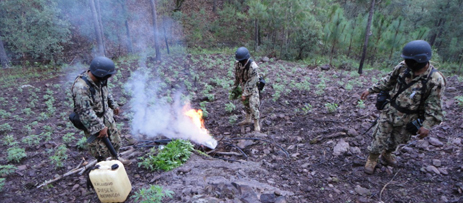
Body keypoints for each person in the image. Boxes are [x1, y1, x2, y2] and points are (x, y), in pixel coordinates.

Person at [360, 40, 446, 174]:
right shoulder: (402, 67)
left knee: (397, 139)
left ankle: (387, 153)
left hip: (410, 116)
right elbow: (388, 81)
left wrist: (427, 125)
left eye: (409, 60)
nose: (406, 62)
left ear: (419, 61)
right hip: (391, 110)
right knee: (379, 136)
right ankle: (372, 158)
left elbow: (434, 106)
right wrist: (371, 90)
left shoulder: (435, 80)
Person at [71, 56, 130, 164]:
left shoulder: (100, 80)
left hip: (106, 115)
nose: (109, 77)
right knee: (101, 149)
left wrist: (113, 105)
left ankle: (116, 159)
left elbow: (105, 93)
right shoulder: (81, 87)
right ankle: (105, 167)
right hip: (92, 120)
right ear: (100, 73)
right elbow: (85, 111)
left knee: (115, 141)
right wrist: (100, 127)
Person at [233, 47, 261, 132]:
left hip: (252, 87)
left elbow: (252, 82)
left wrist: (245, 93)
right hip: (244, 85)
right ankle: (248, 119)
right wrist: (235, 86)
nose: (241, 62)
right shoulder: (238, 64)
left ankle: (256, 124)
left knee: (253, 105)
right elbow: (237, 76)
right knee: (246, 104)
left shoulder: (253, 67)